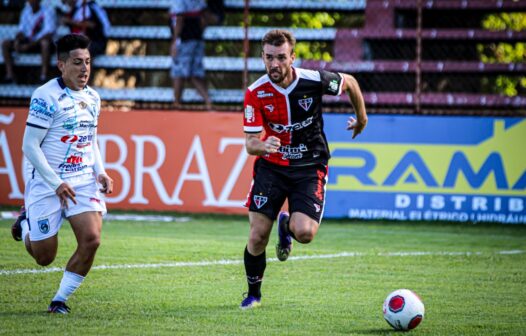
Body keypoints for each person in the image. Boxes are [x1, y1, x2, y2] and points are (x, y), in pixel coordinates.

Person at [240, 29, 368, 309]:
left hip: (310, 166)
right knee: (258, 234)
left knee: (306, 233)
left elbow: (351, 83)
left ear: (293, 57)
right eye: (269, 57)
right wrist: (264, 146)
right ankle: (253, 294)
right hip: (272, 168)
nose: (274, 64)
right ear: (262, 57)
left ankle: (287, 225)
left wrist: (362, 118)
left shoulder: (313, 80)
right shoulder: (255, 93)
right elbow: (250, 144)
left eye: (281, 58)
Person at [10, 33, 113, 314]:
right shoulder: (45, 96)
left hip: (82, 180)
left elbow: (90, 138)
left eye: (88, 62)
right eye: (78, 62)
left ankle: (59, 301)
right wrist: (56, 183)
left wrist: (100, 171)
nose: (85, 69)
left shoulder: (93, 97)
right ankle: (26, 223)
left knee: (92, 239)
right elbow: (29, 146)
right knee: (44, 257)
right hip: (48, 182)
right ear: (61, 65)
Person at [170, 0, 212, 110]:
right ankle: (178, 103)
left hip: (185, 40)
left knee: (184, 72)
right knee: (191, 72)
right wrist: (198, 32)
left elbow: (179, 18)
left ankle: (178, 104)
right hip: (197, 38)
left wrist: (175, 40)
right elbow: (204, 17)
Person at [1, 0, 56, 83]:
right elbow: (21, 31)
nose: (32, 2)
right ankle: (10, 75)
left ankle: (43, 76)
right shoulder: (26, 11)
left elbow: (49, 34)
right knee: (5, 44)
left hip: (40, 43)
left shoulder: (48, 10)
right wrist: (17, 40)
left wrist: (30, 45)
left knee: (45, 43)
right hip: (27, 42)